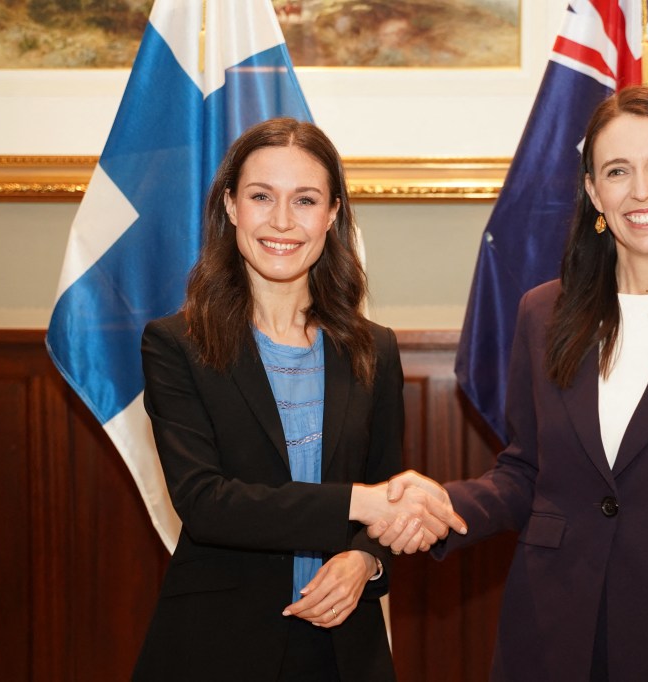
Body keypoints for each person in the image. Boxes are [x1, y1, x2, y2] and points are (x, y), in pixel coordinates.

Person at [374, 86, 648, 681]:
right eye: (617, 171)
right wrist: (446, 505)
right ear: (595, 191)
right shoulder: (541, 314)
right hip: (549, 633)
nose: (641, 190)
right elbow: (525, 472)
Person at [132, 118, 465, 682]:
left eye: (305, 200)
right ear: (232, 206)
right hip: (217, 646)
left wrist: (364, 561)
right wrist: (362, 503)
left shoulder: (372, 348)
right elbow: (207, 503)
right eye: (262, 196)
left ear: (332, 214)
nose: (282, 221)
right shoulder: (175, 345)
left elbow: (383, 491)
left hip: (344, 648)